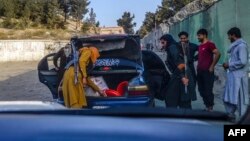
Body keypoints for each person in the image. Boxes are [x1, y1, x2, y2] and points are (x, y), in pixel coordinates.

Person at [223, 27, 249, 120]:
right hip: (233, 76)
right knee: (229, 96)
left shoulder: (241, 46)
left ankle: (243, 119)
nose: (228, 38)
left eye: (229, 36)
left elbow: (243, 61)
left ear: (233, 35)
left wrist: (229, 65)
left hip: (239, 77)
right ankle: (231, 114)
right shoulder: (236, 46)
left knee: (240, 98)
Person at [160, 34, 192, 109]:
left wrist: (182, 77)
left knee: (173, 98)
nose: (162, 45)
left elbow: (180, 64)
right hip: (179, 76)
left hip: (181, 76)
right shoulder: (172, 47)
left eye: (163, 42)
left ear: (167, 41)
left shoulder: (172, 47)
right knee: (181, 99)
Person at [196, 29, 221, 112]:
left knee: (208, 90)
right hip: (199, 71)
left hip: (208, 71)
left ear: (204, 35)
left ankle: (210, 108)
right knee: (201, 89)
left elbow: (218, 53)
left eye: (199, 35)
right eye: (198, 35)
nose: (198, 37)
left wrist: (212, 66)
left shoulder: (210, 44)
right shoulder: (200, 46)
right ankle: (207, 106)